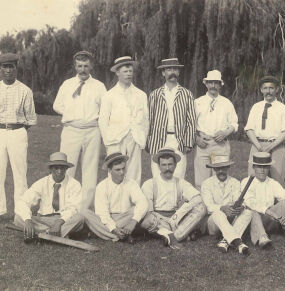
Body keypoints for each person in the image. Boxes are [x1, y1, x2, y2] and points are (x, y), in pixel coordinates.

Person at [0, 53, 37, 226]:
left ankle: (21, 213)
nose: (8, 70)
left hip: (18, 132)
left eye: (11, 66)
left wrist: (16, 130)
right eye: (4, 67)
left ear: (16, 68)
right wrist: (1, 130)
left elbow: (31, 119)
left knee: (20, 174)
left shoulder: (25, 90)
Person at [53, 51, 107, 210]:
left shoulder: (99, 86)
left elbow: (105, 109)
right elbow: (57, 105)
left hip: (92, 130)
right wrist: (70, 114)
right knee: (67, 168)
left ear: (91, 66)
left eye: (86, 66)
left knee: (90, 170)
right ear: (75, 66)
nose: (83, 69)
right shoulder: (67, 84)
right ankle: (65, 205)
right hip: (72, 130)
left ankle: (85, 208)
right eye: (79, 66)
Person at [80, 153, 167, 244]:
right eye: (117, 170)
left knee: (141, 209)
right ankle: (118, 235)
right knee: (85, 212)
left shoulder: (131, 183)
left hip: (126, 217)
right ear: (109, 170)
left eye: (123, 168)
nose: (122, 172)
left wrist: (133, 222)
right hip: (108, 219)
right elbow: (102, 214)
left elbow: (142, 202)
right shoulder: (102, 186)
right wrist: (113, 228)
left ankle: (104, 233)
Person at [141, 148, 207, 249]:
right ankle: (182, 234)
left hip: (177, 219)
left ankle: (172, 236)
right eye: (164, 165)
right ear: (159, 166)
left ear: (175, 165)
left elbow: (198, 198)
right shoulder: (149, 184)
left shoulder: (180, 182)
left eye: (170, 164)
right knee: (147, 220)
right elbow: (148, 212)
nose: (167, 168)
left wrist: (183, 209)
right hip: (158, 220)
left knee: (202, 208)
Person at [99, 56, 149, 185]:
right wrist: (108, 142)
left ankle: (133, 203)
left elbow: (145, 119)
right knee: (115, 172)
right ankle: (114, 202)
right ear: (117, 73)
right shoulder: (109, 95)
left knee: (134, 173)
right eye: (125, 71)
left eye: (130, 71)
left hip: (135, 138)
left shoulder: (141, 94)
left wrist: (142, 138)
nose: (128, 74)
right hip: (115, 139)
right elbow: (103, 121)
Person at [14, 152, 84, 240]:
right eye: (56, 168)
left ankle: (42, 234)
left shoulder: (74, 184)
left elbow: (73, 208)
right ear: (50, 169)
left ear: (66, 169)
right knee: (18, 218)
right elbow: (22, 202)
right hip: (43, 219)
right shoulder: (41, 183)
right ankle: (54, 234)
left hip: (64, 219)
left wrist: (59, 223)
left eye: (62, 168)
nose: (59, 171)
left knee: (79, 218)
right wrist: (27, 220)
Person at [147, 58, 196, 179]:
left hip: (178, 140)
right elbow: (149, 119)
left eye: (175, 69)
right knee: (158, 175)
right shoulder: (155, 94)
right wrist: (149, 141)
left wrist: (188, 142)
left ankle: (177, 198)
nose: (172, 72)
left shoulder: (186, 94)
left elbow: (191, 120)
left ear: (178, 72)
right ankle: (160, 198)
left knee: (178, 175)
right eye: (169, 69)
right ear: (163, 73)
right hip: (158, 140)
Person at [244, 75, 285, 184]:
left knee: (277, 179)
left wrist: (271, 146)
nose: (268, 91)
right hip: (257, 146)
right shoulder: (256, 107)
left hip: (276, 147)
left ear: (276, 89)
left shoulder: (283, 109)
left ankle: (276, 201)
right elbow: (249, 129)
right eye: (265, 88)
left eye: (271, 88)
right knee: (253, 179)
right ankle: (254, 201)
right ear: (261, 90)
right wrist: (258, 146)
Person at [194, 70, 238, 189]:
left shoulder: (226, 103)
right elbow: (190, 124)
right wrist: (196, 138)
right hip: (203, 144)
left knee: (220, 179)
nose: (213, 86)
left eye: (216, 83)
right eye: (210, 82)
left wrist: (225, 133)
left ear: (220, 85)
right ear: (206, 84)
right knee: (201, 181)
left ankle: (219, 206)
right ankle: (202, 206)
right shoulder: (198, 102)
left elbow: (234, 123)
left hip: (220, 144)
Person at [200, 155, 251, 254]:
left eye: (223, 168)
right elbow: (208, 206)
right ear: (214, 169)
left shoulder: (235, 182)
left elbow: (239, 200)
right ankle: (238, 242)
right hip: (214, 223)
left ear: (228, 167)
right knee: (218, 213)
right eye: (218, 169)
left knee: (248, 213)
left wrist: (241, 207)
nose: (220, 171)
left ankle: (225, 241)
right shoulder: (207, 184)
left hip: (231, 220)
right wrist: (222, 208)